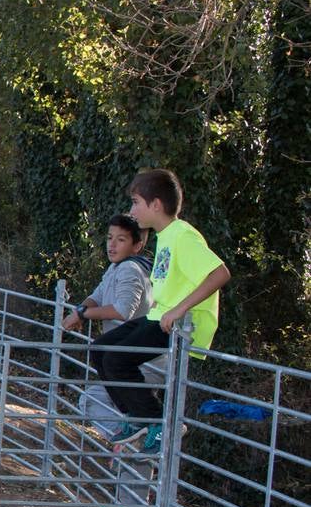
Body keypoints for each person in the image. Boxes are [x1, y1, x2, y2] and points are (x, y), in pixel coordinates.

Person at [89, 169, 230, 455]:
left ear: (155, 205)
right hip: (160, 316)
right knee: (100, 349)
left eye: (136, 202)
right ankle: (136, 417)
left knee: (117, 360)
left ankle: (159, 422)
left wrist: (179, 310)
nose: (132, 210)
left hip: (178, 323)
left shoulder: (183, 236)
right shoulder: (165, 236)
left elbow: (220, 273)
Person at [64, 213, 155, 439]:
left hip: (138, 362)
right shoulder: (117, 267)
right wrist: (79, 311)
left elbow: (123, 310)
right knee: (123, 408)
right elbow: (97, 295)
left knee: (90, 400)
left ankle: (130, 439)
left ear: (137, 246)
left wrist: (83, 315)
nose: (112, 245)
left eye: (121, 240)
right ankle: (133, 438)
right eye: (109, 238)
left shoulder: (130, 269)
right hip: (127, 358)